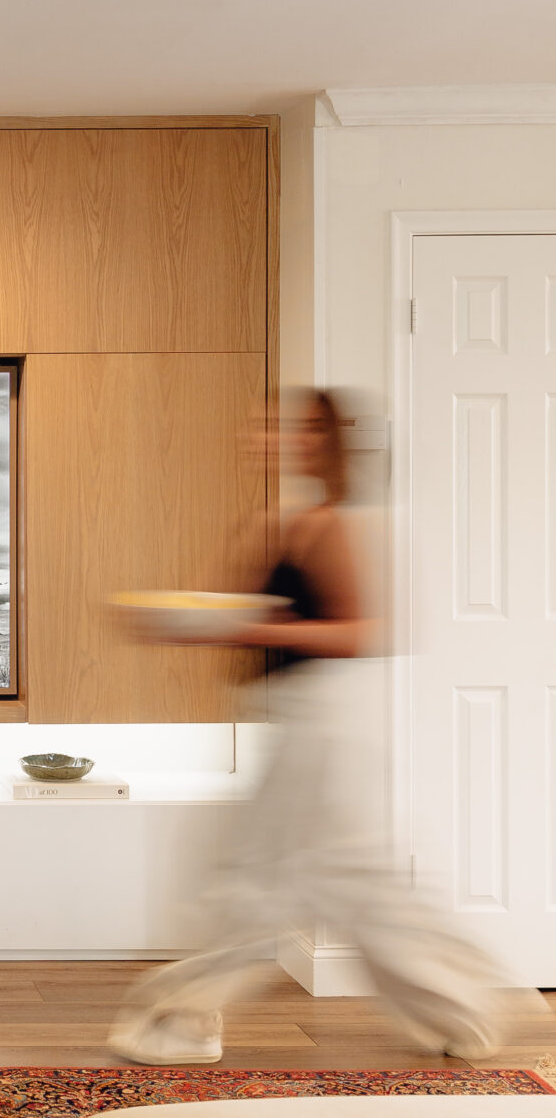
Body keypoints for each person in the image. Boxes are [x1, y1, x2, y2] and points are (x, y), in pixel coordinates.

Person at [110, 389, 507, 1066]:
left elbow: (367, 630)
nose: (261, 436)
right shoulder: (279, 520)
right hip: (294, 721)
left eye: (280, 426)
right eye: (261, 425)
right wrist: (176, 621)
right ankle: (465, 1009)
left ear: (318, 441)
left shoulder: (338, 524)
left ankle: (183, 1022)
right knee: (356, 882)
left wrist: (256, 627)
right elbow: (227, 610)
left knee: (248, 877)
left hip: (326, 724)